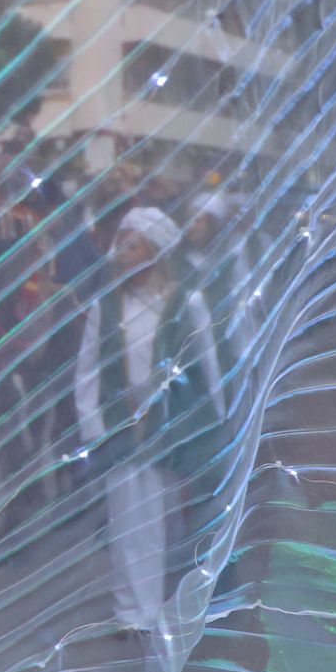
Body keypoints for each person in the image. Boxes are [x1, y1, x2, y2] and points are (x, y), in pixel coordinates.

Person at [74, 207, 224, 634]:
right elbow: (86, 373)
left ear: (155, 251)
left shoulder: (185, 302)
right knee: (127, 523)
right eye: (120, 241)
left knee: (167, 522)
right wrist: (95, 431)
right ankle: (131, 615)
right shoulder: (105, 306)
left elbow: (208, 366)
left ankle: (162, 606)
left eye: (133, 243)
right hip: (122, 431)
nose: (122, 251)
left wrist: (215, 420)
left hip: (168, 428)